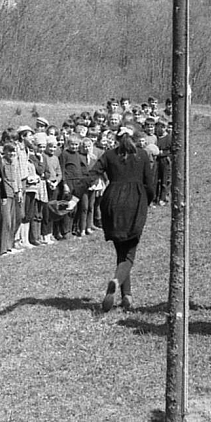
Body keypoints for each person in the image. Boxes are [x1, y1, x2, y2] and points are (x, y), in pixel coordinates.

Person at [86, 124, 155, 312]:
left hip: (111, 204)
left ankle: (127, 297)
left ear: (117, 139)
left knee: (121, 252)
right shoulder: (142, 155)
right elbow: (150, 185)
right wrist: (145, 202)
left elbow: (91, 174)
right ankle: (116, 281)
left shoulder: (108, 155)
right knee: (130, 255)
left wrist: (76, 195)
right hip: (134, 204)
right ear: (134, 138)